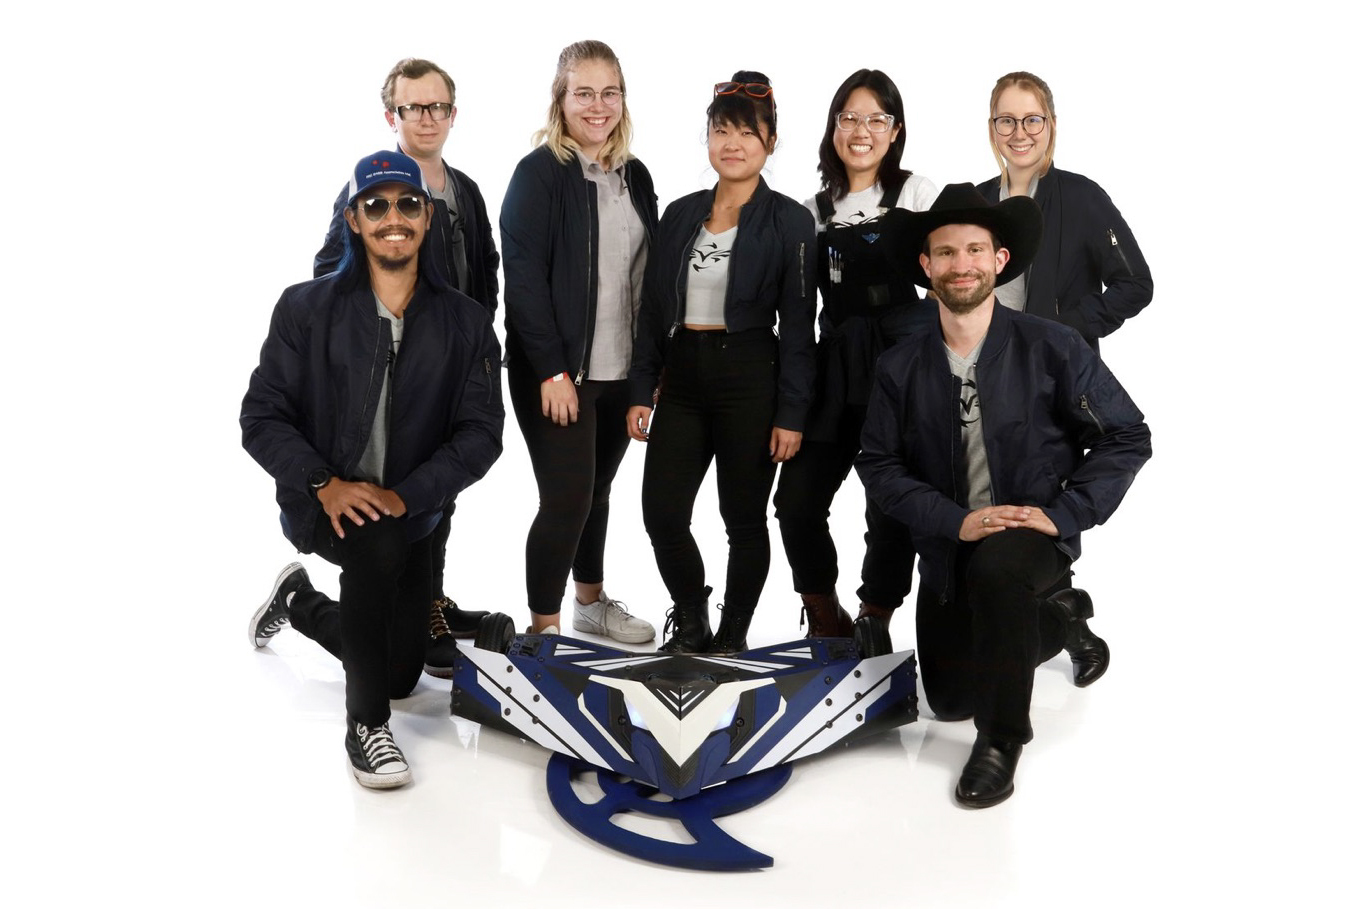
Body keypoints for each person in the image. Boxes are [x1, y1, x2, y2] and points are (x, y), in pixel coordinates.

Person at [856, 184, 1150, 808]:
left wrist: (1064, 513)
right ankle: (1062, 617)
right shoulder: (900, 367)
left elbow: (1127, 435)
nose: (961, 264)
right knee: (950, 698)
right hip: (950, 541)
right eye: (946, 253)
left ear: (999, 259)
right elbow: (878, 465)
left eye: (974, 250)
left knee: (1000, 577)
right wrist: (954, 522)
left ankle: (1002, 741)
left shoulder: (1053, 345)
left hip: (1026, 540)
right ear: (925, 267)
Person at [243, 150, 504, 789]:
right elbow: (262, 415)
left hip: (413, 513)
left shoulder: (466, 323)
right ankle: (366, 728)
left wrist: (409, 496)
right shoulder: (304, 310)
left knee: (397, 671)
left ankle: (299, 603)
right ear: (354, 219)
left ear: (427, 218)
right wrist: (323, 483)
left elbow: (482, 434)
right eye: (377, 205)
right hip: (324, 503)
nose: (394, 217)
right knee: (375, 546)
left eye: (408, 204)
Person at [314, 58, 502, 675]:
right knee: (397, 494)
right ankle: (405, 612)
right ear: (390, 114)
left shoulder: (464, 191)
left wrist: (474, 346)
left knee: (439, 491)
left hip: (453, 368)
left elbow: (484, 273)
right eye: (412, 107)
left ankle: (428, 600)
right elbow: (329, 277)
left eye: (437, 106)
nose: (427, 118)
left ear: (453, 113)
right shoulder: (369, 190)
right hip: (391, 369)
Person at [628, 73, 816, 654]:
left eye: (746, 132)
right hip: (682, 377)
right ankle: (691, 616)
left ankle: (733, 631)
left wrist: (792, 411)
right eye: (721, 130)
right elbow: (652, 309)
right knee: (662, 512)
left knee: (743, 518)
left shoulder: (790, 222)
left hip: (750, 378)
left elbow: (800, 329)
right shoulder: (681, 215)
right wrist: (641, 387)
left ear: (771, 141)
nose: (731, 143)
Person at [976, 70, 1154, 641]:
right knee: (989, 496)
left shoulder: (1078, 196)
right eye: (1007, 118)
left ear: (1051, 126)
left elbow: (1135, 284)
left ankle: (1062, 624)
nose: (1020, 131)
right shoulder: (977, 201)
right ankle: (1058, 616)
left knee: (1041, 495)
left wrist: (1064, 331)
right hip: (985, 373)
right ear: (991, 128)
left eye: (1033, 118)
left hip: (1053, 375)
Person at [772, 69, 939, 643]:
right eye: (849, 117)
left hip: (903, 367)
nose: (861, 130)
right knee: (796, 501)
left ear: (895, 131)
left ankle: (875, 617)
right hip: (834, 366)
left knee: (889, 504)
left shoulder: (920, 196)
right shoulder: (809, 209)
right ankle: (824, 614)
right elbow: (791, 308)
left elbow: (955, 277)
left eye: (875, 118)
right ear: (833, 128)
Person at [500, 40, 658, 643]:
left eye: (609, 92)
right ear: (560, 100)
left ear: (623, 98)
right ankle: (545, 636)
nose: (598, 106)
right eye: (583, 93)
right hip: (561, 374)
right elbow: (524, 278)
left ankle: (590, 604)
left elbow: (648, 278)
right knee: (566, 500)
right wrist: (550, 369)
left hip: (621, 371)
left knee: (598, 491)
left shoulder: (635, 176)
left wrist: (650, 371)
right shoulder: (539, 174)